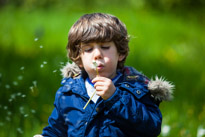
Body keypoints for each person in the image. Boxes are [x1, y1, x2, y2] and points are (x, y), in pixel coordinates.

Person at [34, 13, 174, 137]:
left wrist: (115, 97)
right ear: (79, 58)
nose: (97, 55)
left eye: (105, 47)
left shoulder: (136, 88)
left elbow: (151, 128)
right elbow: (57, 130)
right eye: (88, 49)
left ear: (121, 53)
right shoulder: (69, 93)